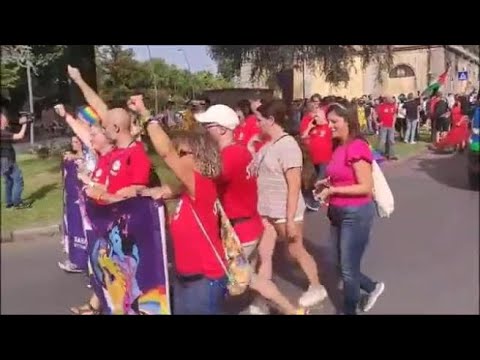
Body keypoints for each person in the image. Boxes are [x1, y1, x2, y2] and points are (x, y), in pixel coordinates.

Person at [196, 104, 306, 315]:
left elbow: (202, 183)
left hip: (241, 230)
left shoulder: (229, 156)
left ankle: (291, 311)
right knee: (248, 277)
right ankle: (272, 307)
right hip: (247, 225)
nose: (205, 130)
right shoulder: (238, 151)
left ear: (221, 129)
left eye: (208, 126)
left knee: (241, 279)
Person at [131, 96, 227, 315]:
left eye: (181, 153)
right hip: (186, 278)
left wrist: (145, 113)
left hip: (204, 280)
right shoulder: (188, 190)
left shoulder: (201, 185)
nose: (176, 157)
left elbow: (165, 152)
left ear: (200, 157)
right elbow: (167, 190)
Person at [254, 99, 327, 310]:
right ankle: (263, 297)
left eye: (259, 120)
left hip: (285, 210)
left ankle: (316, 286)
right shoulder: (268, 145)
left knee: (296, 250)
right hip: (266, 210)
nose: (256, 124)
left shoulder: (287, 146)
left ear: (271, 120)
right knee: (264, 253)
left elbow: (294, 185)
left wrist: (290, 220)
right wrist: (251, 147)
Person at [315, 101, 384, 315]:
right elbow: (341, 176)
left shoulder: (357, 146)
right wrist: (326, 183)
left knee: (347, 268)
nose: (330, 126)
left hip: (355, 213)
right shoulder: (338, 147)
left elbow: (365, 186)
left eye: (334, 121)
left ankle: (348, 309)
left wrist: (333, 191)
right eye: (329, 121)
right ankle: (371, 287)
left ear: (348, 121)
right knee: (338, 264)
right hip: (336, 212)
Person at [299, 96, 332, 212]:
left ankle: (319, 199)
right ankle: (315, 199)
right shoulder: (312, 126)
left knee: (320, 179)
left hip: (324, 159)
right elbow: (303, 137)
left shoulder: (328, 127)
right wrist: (309, 127)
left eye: (318, 116)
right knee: (312, 181)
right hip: (312, 159)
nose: (315, 118)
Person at [0, 108, 31, 209]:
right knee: (18, 179)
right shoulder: (2, 133)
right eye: (5, 118)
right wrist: (25, 123)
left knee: (9, 181)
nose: (7, 120)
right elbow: (19, 136)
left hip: (4, 160)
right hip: (7, 160)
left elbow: (14, 124)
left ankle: (9, 202)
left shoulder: (4, 131)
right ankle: (17, 202)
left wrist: (22, 120)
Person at [376, 96, 398, 160]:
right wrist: (377, 122)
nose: (391, 100)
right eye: (390, 99)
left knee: (391, 140)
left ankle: (391, 155)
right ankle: (378, 155)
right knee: (383, 141)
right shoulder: (381, 106)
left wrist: (393, 123)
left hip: (391, 126)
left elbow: (394, 115)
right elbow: (375, 114)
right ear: (385, 100)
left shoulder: (393, 106)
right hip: (383, 126)